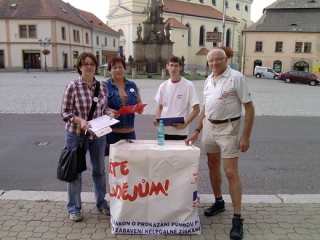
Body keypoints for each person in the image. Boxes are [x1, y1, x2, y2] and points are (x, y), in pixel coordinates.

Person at [185, 48, 255, 240]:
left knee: (231, 172)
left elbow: (249, 109)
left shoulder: (236, 77)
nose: (214, 63)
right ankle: (218, 201)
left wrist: (245, 136)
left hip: (228, 129)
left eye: (218, 60)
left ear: (225, 60)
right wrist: (197, 130)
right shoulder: (208, 80)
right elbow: (205, 108)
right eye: (211, 61)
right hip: (209, 127)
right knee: (212, 165)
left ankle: (237, 218)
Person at [60, 52, 115, 222]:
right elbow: (64, 113)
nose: (89, 66)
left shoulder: (102, 86)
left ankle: (101, 203)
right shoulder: (73, 86)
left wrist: (109, 113)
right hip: (76, 135)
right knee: (75, 172)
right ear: (80, 66)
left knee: (99, 171)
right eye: (86, 64)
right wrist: (80, 121)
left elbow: (103, 108)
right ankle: (74, 208)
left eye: (92, 64)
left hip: (98, 135)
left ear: (96, 66)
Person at [153, 55, 200, 140]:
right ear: (167, 67)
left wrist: (185, 124)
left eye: (176, 65)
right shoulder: (163, 86)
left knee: (179, 153)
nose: (173, 68)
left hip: (180, 131)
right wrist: (157, 119)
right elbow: (160, 107)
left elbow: (196, 109)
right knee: (163, 153)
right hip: (163, 131)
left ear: (180, 67)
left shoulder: (188, 85)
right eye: (171, 65)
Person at [104, 56, 143, 156]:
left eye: (120, 67)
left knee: (131, 162)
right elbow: (100, 107)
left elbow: (139, 102)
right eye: (114, 67)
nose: (118, 70)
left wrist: (139, 108)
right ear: (109, 71)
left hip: (130, 132)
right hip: (112, 132)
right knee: (115, 164)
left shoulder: (132, 85)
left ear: (125, 69)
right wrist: (109, 111)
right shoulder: (104, 86)